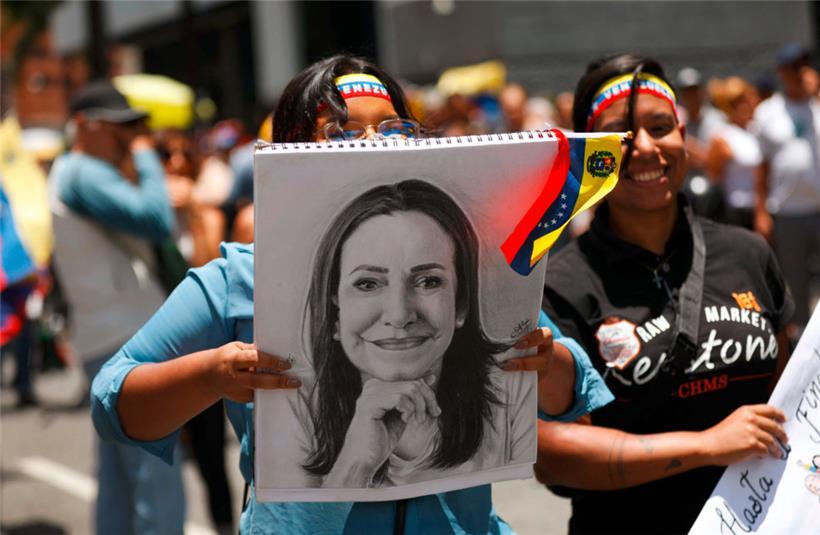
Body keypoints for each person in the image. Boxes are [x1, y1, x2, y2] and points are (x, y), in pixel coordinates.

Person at [92, 55, 613, 533]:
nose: (374, 143)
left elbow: (571, 396)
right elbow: (113, 402)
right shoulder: (239, 277)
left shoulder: (474, 261)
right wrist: (213, 374)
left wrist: (545, 361)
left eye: (393, 128)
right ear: (290, 152)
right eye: (341, 131)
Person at [536, 54, 793, 534]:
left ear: (683, 134)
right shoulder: (559, 282)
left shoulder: (748, 253)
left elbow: (791, 395)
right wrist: (706, 445)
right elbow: (552, 458)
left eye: (661, 127)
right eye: (622, 134)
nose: (646, 148)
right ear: (592, 151)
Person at [290, 180, 531, 488]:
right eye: (368, 284)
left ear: (461, 304)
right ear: (334, 307)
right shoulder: (294, 402)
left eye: (428, 281)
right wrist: (355, 463)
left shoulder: (509, 390)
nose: (400, 315)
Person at [49, 81, 185, 534]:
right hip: (127, 340)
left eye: (134, 129)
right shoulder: (82, 171)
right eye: (120, 128)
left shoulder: (72, 171)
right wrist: (145, 155)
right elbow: (155, 217)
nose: (128, 137)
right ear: (83, 126)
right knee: (154, 479)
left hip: (107, 338)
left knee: (119, 480)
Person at [753, 43, 820, 338]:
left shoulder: (817, 106)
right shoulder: (768, 112)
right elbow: (761, 167)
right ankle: (807, 345)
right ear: (782, 72)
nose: (801, 73)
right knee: (796, 282)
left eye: (804, 66)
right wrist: (761, 211)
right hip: (788, 212)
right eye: (794, 67)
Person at [706, 76, 762, 228]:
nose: (743, 106)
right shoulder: (722, 135)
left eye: (744, 100)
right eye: (735, 102)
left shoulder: (757, 129)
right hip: (737, 211)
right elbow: (714, 175)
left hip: (763, 208)